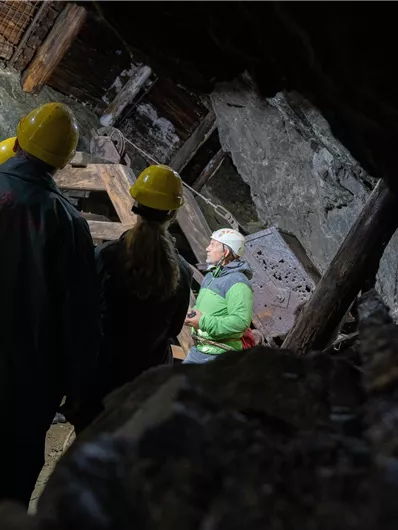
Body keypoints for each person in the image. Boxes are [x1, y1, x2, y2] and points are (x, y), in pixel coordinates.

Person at [0, 102, 100, 506]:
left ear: (19, 139)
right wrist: (79, 393)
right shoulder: (69, 224)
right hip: (25, 389)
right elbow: (82, 321)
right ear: (61, 164)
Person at [95, 164, 192, 397]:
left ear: (135, 205)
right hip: (145, 377)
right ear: (172, 214)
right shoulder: (181, 272)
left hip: (101, 370)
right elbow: (175, 328)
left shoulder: (107, 256)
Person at [184, 228, 253, 364]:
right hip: (200, 350)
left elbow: (241, 322)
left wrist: (202, 322)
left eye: (213, 245)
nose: (207, 248)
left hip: (220, 356)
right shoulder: (210, 276)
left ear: (225, 252)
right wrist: (193, 315)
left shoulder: (237, 282)